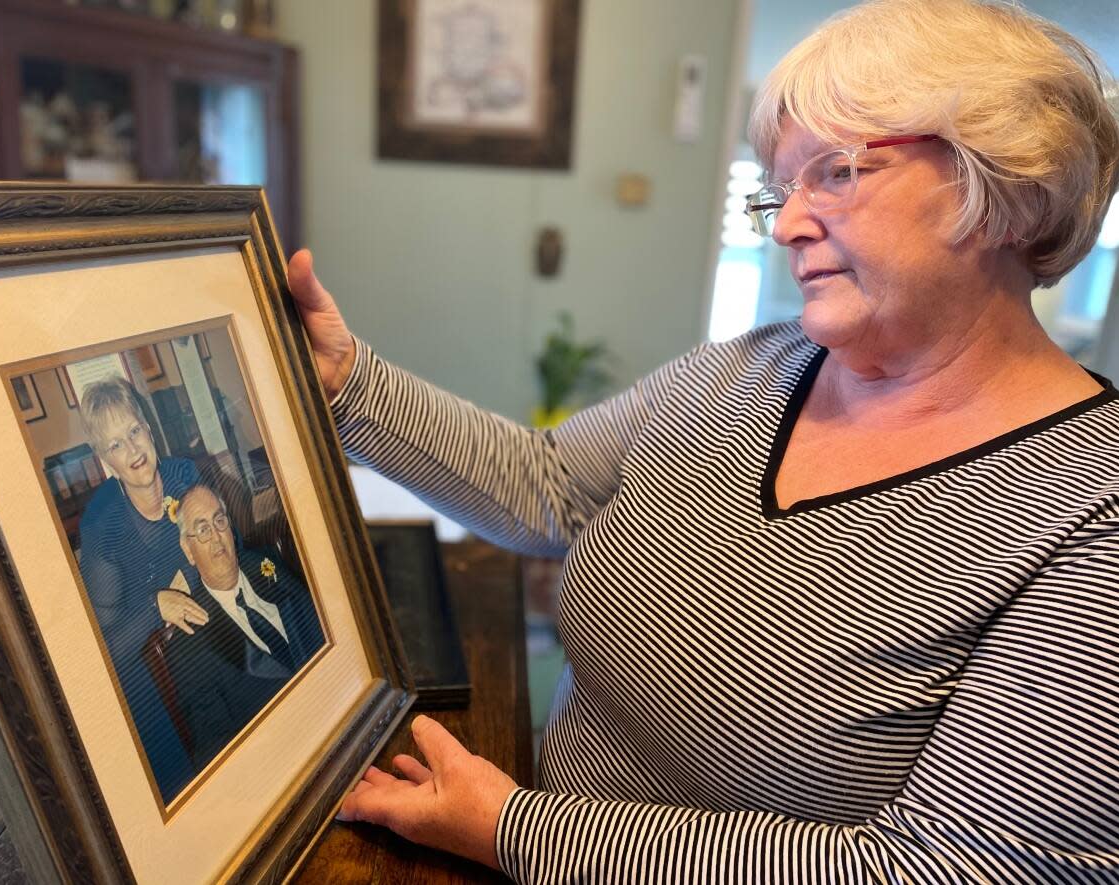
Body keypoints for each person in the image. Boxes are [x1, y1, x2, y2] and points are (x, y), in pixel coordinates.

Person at [290, 0, 1119, 880]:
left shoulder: (1092, 513)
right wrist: (348, 382)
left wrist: (512, 828)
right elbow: (548, 484)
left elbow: (937, 866)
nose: (789, 224)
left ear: (1010, 188)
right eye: (781, 188)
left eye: (835, 172)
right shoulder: (753, 367)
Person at [77, 375, 211, 799]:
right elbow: (103, 652)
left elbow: (228, 544)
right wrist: (156, 606)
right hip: (141, 667)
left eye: (134, 432)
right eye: (116, 445)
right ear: (105, 462)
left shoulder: (183, 475)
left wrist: (189, 578)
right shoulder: (103, 528)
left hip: (203, 633)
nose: (133, 451)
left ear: (148, 429)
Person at [161, 484, 325, 767]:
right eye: (202, 529)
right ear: (188, 550)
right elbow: (217, 751)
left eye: (220, 520)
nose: (216, 537)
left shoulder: (266, 562)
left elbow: (320, 624)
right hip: (285, 761)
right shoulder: (188, 647)